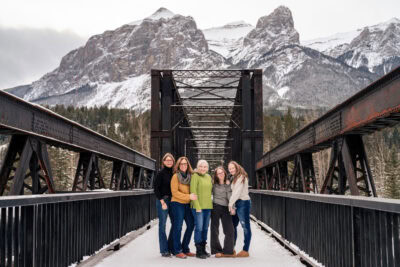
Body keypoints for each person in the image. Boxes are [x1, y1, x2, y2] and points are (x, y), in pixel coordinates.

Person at [170, 156, 197, 259]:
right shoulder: (175, 177)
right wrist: (188, 196)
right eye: (181, 164)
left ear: (188, 165)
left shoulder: (191, 176)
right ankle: (177, 250)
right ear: (178, 165)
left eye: (185, 164)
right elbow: (174, 192)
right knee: (178, 226)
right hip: (177, 203)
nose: (183, 165)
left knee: (191, 225)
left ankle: (185, 248)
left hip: (187, 204)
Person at [210, 166, 236, 258]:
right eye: (218, 173)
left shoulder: (228, 184)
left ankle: (228, 251)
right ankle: (216, 250)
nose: (220, 174)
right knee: (214, 229)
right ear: (216, 175)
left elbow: (230, 196)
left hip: (226, 208)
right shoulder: (213, 184)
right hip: (215, 207)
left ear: (225, 173)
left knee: (230, 230)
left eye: (222, 173)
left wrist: (232, 207)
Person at [228, 161, 252, 257]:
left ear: (237, 167)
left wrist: (230, 205)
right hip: (236, 203)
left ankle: (245, 250)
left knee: (245, 227)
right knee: (233, 226)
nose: (231, 170)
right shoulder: (235, 177)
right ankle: (231, 248)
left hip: (243, 203)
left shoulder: (241, 177)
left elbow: (237, 193)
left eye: (233, 168)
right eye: (229, 169)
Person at [190, 159, 213, 259]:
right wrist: (197, 207)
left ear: (207, 168)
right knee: (199, 228)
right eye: (201, 166)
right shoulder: (195, 176)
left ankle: (203, 249)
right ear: (197, 167)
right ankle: (199, 251)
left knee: (205, 228)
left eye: (205, 167)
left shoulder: (208, 176)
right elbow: (193, 191)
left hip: (208, 207)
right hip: (197, 207)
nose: (203, 168)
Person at [154, 153, 175, 257]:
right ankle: (164, 250)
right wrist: (162, 202)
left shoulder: (174, 173)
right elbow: (156, 189)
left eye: (171, 160)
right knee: (162, 225)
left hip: (173, 200)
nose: (169, 162)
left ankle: (170, 246)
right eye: (167, 160)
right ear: (163, 162)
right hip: (163, 200)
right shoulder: (160, 173)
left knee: (175, 223)